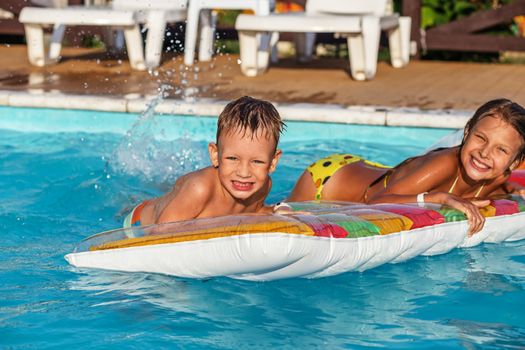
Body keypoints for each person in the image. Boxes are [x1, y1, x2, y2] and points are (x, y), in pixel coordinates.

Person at [288, 98, 525, 235]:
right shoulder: (443, 163)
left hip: (377, 170)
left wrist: (513, 192)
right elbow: (376, 202)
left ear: (514, 162)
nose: (485, 153)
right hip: (328, 180)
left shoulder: (498, 178)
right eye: (480, 138)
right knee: (289, 222)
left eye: (501, 150)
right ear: (466, 132)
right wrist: (441, 198)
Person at [123, 96, 286, 227]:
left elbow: (253, 213)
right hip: (139, 225)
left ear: (273, 162)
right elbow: (160, 233)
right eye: (232, 158)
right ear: (215, 155)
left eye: (257, 162)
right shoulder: (200, 188)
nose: (244, 173)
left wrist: (275, 211)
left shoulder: (263, 185)